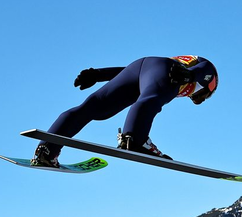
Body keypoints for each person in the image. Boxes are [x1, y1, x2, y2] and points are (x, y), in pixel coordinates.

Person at [32, 56, 218, 168]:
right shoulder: (194, 74)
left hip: (139, 67)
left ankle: (47, 150)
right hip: (164, 71)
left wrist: (98, 74)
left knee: (93, 107)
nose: (193, 97)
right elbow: (207, 68)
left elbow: (129, 72)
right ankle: (134, 140)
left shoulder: (169, 64)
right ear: (207, 86)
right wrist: (191, 75)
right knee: (151, 100)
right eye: (199, 96)